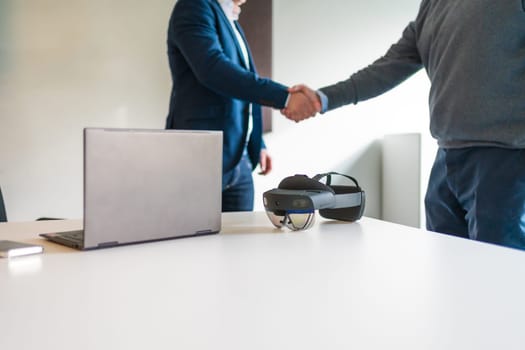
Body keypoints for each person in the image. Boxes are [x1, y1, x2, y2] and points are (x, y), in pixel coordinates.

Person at [283, 0, 525, 250]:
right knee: (450, 267)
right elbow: (389, 67)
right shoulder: (433, 5)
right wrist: (323, 99)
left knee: (504, 273)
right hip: (447, 158)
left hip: (507, 158)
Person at [165, 0, 319, 212]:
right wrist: (284, 97)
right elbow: (214, 69)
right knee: (195, 240)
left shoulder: (231, 19)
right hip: (199, 156)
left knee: (240, 242)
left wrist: (257, 141)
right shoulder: (194, 6)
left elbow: (242, 85)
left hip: (241, 159)